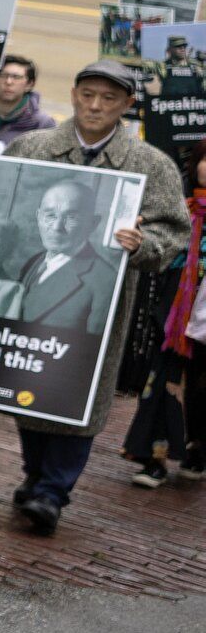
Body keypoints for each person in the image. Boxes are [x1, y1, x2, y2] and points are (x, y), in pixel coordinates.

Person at [1, 62, 190, 535]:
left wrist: (143, 246)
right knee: (32, 391)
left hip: (98, 303)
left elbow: (174, 232)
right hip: (35, 291)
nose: (95, 106)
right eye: (87, 95)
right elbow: (2, 202)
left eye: (108, 99)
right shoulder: (34, 147)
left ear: (127, 105)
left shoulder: (151, 164)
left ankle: (52, 492)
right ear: (73, 93)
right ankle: (35, 476)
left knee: (78, 396)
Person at [122, 142, 206, 487]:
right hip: (174, 313)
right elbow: (163, 249)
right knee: (163, 380)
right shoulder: (182, 207)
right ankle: (152, 457)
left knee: (201, 387)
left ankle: (197, 449)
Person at [16, 181, 120, 335]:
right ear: (38, 217)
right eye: (50, 215)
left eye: (71, 217)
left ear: (93, 223)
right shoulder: (34, 261)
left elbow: (89, 353)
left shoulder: (105, 281)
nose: (57, 227)